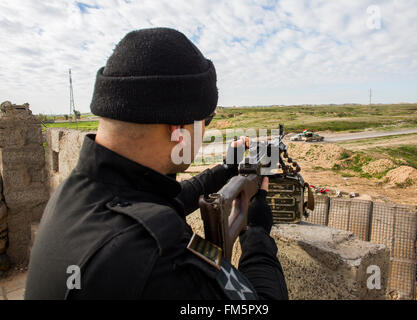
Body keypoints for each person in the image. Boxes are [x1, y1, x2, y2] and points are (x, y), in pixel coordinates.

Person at [25, 28, 288, 300]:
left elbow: (170, 199)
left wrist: (227, 169)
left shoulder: (80, 193)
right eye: (206, 120)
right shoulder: (158, 259)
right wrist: (257, 233)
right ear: (179, 128)